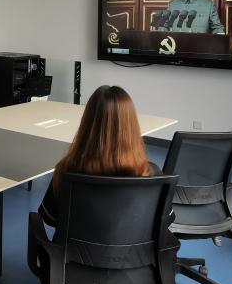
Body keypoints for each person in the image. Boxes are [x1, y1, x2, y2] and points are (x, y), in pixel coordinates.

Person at [38, 84, 161, 228]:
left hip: (75, 243)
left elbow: (50, 219)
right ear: (131, 126)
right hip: (135, 244)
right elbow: (162, 220)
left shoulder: (66, 170)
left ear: (87, 124)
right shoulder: (152, 173)